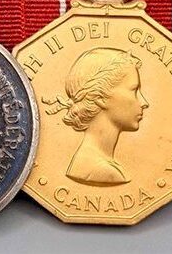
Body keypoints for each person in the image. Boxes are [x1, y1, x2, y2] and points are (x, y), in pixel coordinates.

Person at [44, 48, 150, 184]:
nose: (144, 103)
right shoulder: (101, 171)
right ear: (100, 97)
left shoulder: (101, 164)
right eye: (133, 90)